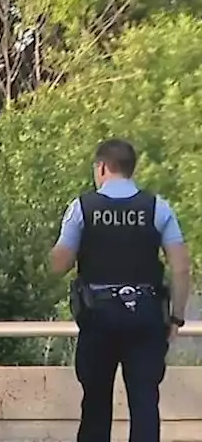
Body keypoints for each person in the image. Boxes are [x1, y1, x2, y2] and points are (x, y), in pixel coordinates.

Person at [50, 138, 192, 442]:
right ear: (131, 168)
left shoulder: (82, 208)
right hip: (145, 314)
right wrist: (176, 318)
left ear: (101, 167)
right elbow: (181, 267)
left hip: (98, 316)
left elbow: (58, 264)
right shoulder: (157, 207)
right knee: (144, 403)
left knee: (96, 403)